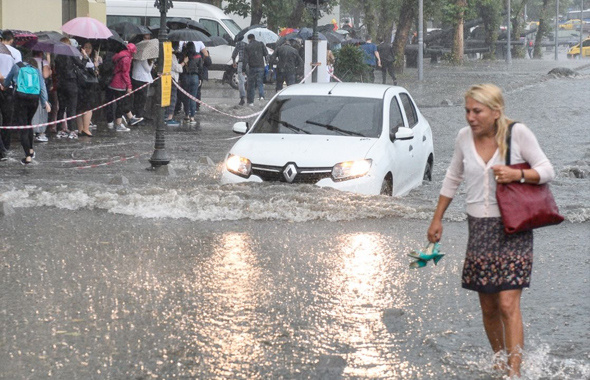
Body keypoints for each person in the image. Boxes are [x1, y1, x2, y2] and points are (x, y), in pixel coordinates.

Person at [427, 84, 555, 378]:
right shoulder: (463, 137)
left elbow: (547, 169)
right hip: (479, 228)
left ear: (496, 112)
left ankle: (515, 371)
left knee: (508, 303)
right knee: (488, 304)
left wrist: (518, 174)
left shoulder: (517, 133)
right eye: (467, 111)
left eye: (477, 111)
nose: (470, 117)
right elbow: (452, 177)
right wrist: (437, 219)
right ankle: (498, 359)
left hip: (513, 226)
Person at [2, 57, 50, 165]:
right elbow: (42, 87)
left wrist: (3, 85)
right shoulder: (36, 70)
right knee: (29, 124)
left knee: (23, 126)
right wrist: (45, 102)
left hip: (20, 97)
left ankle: (27, 156)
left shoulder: (17, 66)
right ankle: (31, 150)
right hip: (34, 98)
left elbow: (6, 83)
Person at [54, 38, 88, 139]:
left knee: (61, 107)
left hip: (60, 84)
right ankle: (72, 130)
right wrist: (85, 57)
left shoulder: (57, 56)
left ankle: (60, 129)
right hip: (71, 83)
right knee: (71, 107)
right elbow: (82, 66)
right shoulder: (71, 53)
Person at [105, 43, 141, 132]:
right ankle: (118, 124)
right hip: (119, 84)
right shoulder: (126, 59)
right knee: (120, 104)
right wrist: (129, 86)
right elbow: (125, 73)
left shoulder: (119, 55)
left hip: (112, 81)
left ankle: (112, 122)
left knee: (112, 103)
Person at [0, 30, 21, 153]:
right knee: (8, 119)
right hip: (9, 88)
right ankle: (5, 146)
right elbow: (18, 70)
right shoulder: (15, 52)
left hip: (3, 85)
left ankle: (2, 148)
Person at [76, 42, 101, 137]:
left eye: (90, 47)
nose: (88, 49)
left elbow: (96, 73)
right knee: (85, 108)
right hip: (84, 86)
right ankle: (84, 129)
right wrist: (91, 63)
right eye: (85, 47)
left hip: (88, 86)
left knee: (84, 108)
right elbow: (90, 70)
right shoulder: (82, 59)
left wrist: (96, 64)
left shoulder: (91, 59)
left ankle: (82, 129)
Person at [31, 50, 52, 142]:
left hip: (29, 89)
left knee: (31, 111)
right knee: (42, 110)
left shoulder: (29, 61)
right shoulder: (44, 62)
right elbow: (45, 75)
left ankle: (31, 131)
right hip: (40, 89)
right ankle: (40, 132)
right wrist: (50, 69)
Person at [243, 33, 268, 106]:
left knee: (251, 85)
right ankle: (262, 96)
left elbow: (245, 59)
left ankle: (251, 102)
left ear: (249, 39)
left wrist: (243, 70)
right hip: (261, 66)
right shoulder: (261, 44)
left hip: (252, 67)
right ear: (254, 38)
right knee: (260, 82)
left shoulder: (247, 46)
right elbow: (266, 53)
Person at [181, 42, 202, 124]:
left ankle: (187, 115)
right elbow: (200, 68)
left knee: (186, 97)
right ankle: (192, 117)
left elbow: (181, 69)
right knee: (193, 97)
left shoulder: (184, 55)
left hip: (185, 77)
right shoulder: (198, 56)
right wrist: (200, 78)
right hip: (195, 77)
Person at [165, 46, 187, 126]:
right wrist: (184, 62)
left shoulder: (164, 54)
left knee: (167, 97)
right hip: (172, 78)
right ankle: (169, 117)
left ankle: (166, 116)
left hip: (166, 78)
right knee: (172, 98)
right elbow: (177, 68)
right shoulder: (171, 56)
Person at [230, 39, 247, 105]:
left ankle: (242, 98)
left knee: (241, 81)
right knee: (251, 82)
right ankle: (250, 100)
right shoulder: (251, 43)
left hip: (241, 63)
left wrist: (234, 62)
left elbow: (234, 54)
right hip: (250, 64)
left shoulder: (240, 43)